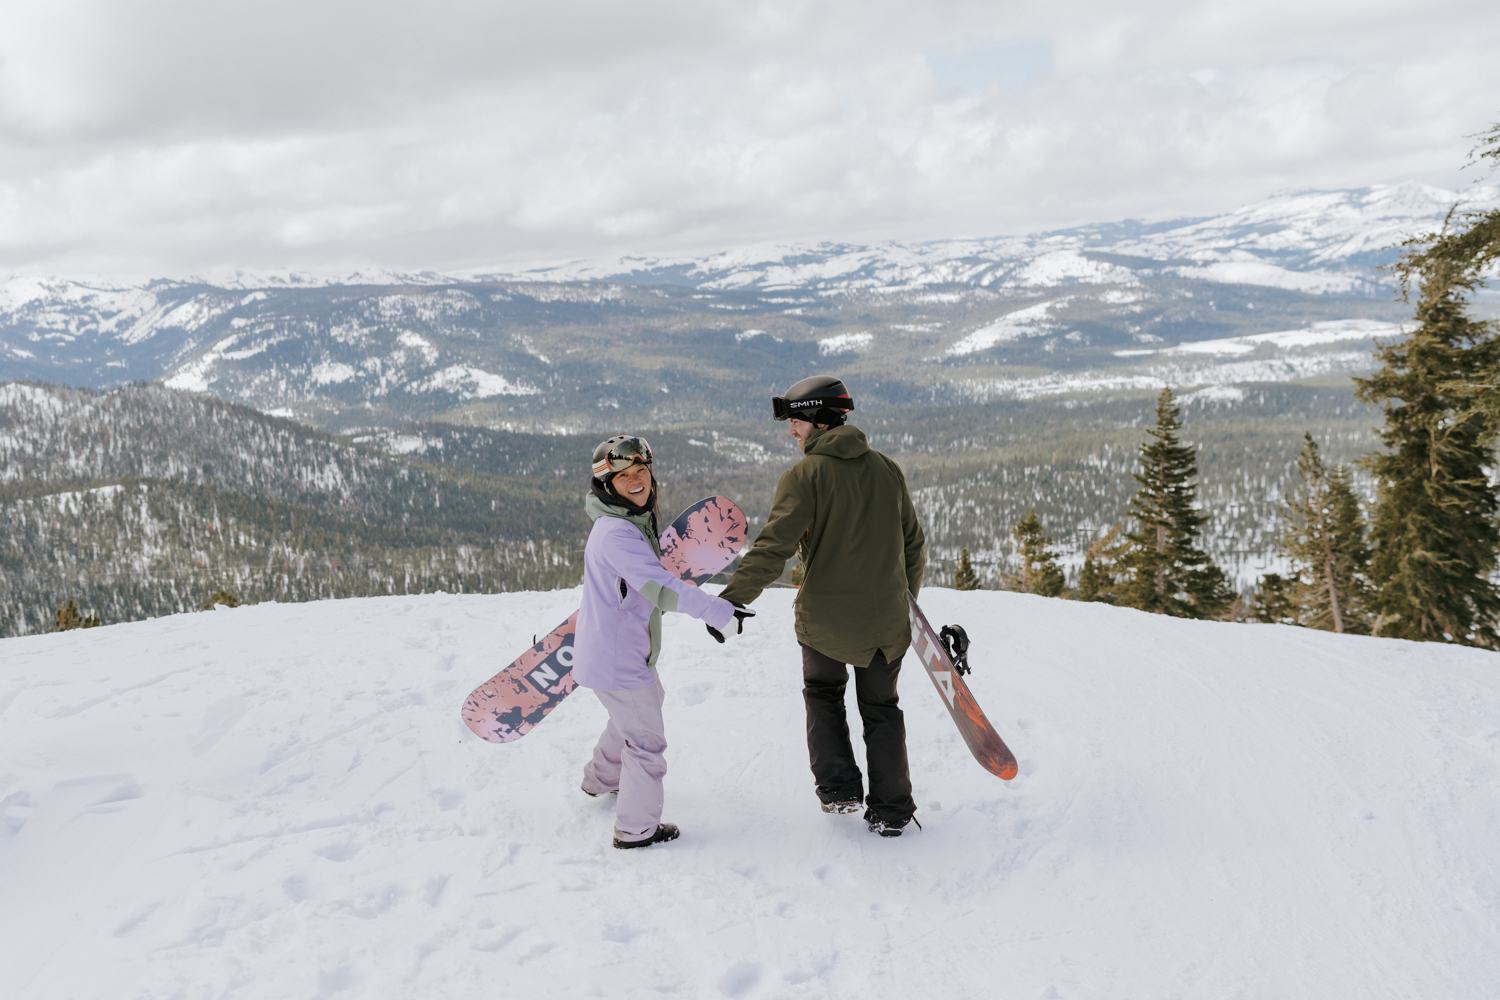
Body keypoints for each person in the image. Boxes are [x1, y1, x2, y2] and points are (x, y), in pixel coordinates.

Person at [718, 376, 926, 837]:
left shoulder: (805, 476)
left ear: (816, 420)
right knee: (882, 708)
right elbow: (913, 544)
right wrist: (904, 600)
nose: (791, 432)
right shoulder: (887, 468)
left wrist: (732, 600)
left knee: (823, 694)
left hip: (826, 621)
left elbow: (774, 548)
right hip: (887, 623)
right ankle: (892, 809)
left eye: (795, 422)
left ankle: (839, 789)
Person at [572, 433, 753, 849]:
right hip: (618, 659)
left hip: (615, 654)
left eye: (642, 471)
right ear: (606, 485)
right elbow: (661, 587)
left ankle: (601, 778)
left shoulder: (623, 523)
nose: (637, 480)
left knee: (640, 710)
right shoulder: (616, 533)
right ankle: (636, 830)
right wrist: (717, 612)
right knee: (646, 740)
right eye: (625, 476)